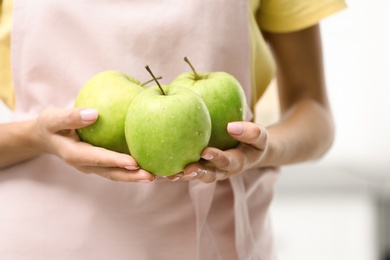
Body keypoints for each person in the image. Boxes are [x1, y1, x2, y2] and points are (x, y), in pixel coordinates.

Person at [0, 0, 346, 259]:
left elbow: (314, 114)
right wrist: (36, 136)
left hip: (212, 240)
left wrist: (263, 150)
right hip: (44, 238)